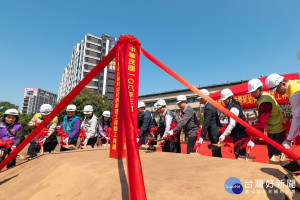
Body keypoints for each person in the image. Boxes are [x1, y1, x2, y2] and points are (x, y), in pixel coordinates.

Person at [248, 78, 286, 160]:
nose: (252, 94)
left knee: (275, 158)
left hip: (276, 131)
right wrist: (257, 119)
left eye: (254, 91)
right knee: (278, 156)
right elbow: (265, 115)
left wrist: (253, 140)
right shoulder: (264, 97)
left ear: (260, 89)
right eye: (251, 92)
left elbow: (261, 125)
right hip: (276, 129)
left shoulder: (265, 101)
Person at [265, 74, 300, 149]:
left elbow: (297, 118)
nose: (277, 93)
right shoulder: (294, 84)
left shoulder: (294, 94)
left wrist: (289, 139)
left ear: (283, 84)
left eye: (277, 90)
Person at [218, 89, 248, 159]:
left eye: (225, 100)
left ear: (230, 98)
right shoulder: (236, 105)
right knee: (241, 154)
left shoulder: (233, 108)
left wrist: (223, 136)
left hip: (240, 134)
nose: (224, 102)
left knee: (239, 154)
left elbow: (232, 124)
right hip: (242, 133)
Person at [197, 89, 222, 157]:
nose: (200, 100)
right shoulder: (210, 104)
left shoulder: (208, 107)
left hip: (214, 132)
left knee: (216, 152)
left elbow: (206, 122)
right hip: (215, 131)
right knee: (216, 151)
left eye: (201, 98)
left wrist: (202, 136)